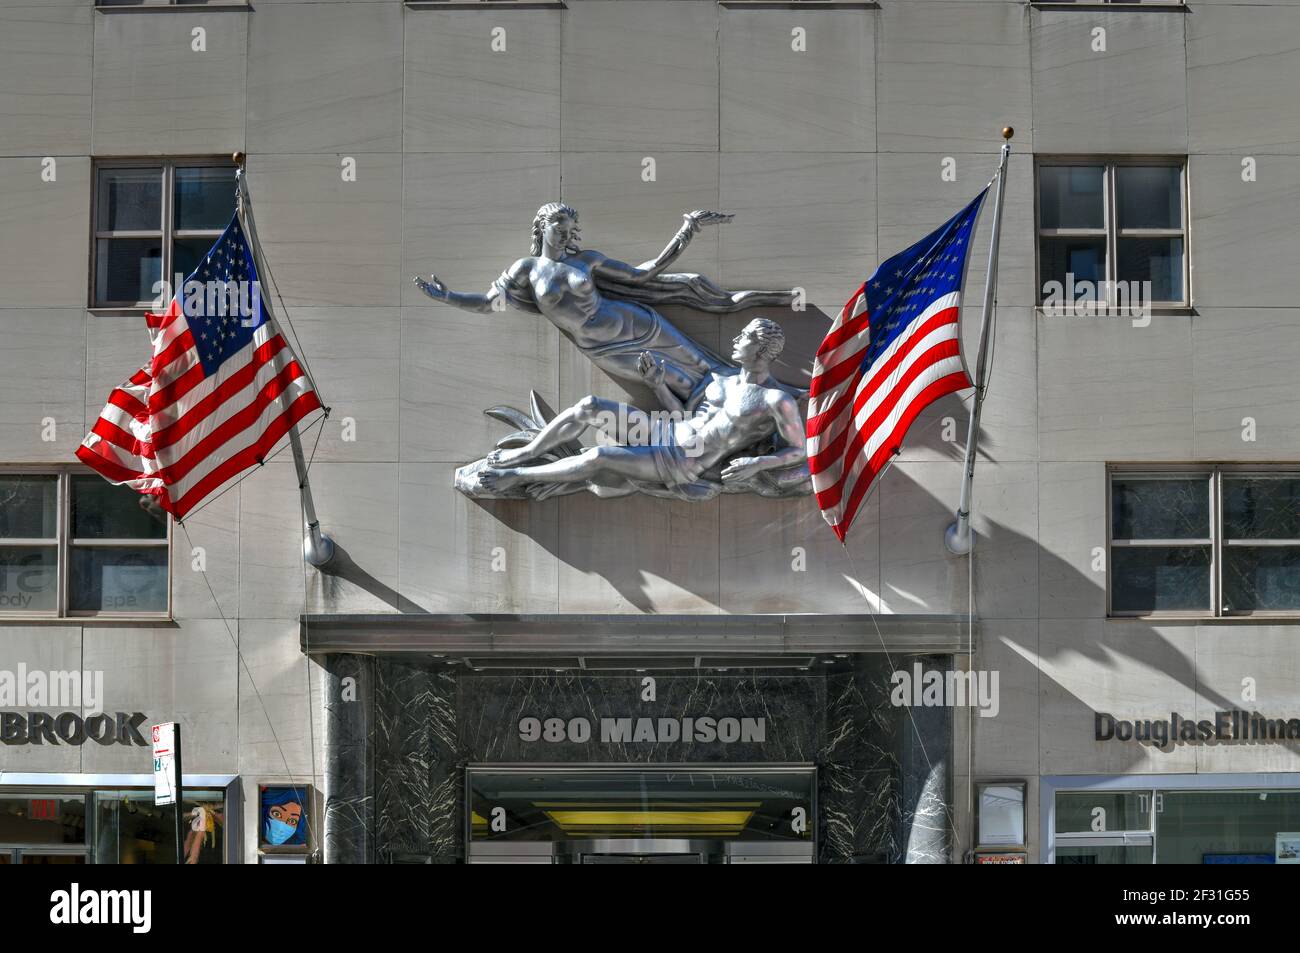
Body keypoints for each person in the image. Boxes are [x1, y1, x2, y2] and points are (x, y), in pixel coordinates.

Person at [414, 202, 796, 404]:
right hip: (602, 346)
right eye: (558, 229)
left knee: (706, 365)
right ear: (542, 228)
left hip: (636, 322)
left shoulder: (587, 260)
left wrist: (687, 231)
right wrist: (448, 297)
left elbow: (642, 274)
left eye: (569, 230)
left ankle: (779, 392)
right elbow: (488, 303)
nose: (565, 236)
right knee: (675, 381)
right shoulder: (526, 269)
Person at [477, 318, 806, 501]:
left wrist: (757, 462)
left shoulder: (776, 400)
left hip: (682, 461)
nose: (736, 339)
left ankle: (514, 476)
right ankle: (526, 452)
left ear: (763, 348)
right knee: (590, 406)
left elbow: (798, 449)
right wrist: (657, 384)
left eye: (745, 335)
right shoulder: (722, 379)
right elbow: (684, 416)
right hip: (665, 430)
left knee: (599, 457)